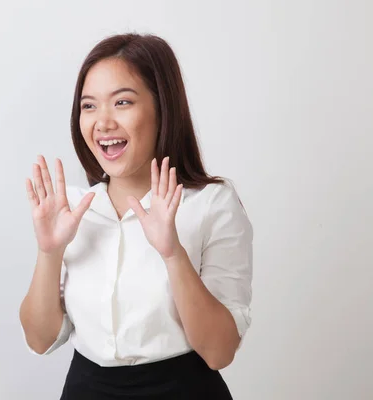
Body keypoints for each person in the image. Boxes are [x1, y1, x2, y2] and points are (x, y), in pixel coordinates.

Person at [19, 33, 253, 400]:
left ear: (163, 108)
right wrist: (49, 252)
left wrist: (173, 253)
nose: (103, 122)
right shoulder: (71, 212)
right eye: (89, 106)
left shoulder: (212, 204)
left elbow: (219, 352)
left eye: (122, 102)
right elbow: (39, 339)